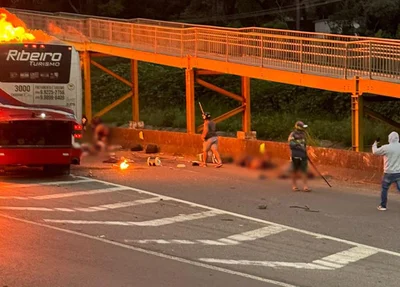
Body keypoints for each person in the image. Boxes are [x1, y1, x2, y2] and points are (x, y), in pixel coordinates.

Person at [372, 132, 400, 211]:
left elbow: (375, 152)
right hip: (398, 172)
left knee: (385, 188)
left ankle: (383, 206)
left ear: (389, 138)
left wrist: (375, 143)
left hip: (388, 172)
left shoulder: (386, 147)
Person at [288, 121, 311, 192]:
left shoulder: (304, 134)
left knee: (304, 170)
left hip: (303, 155)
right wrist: (299, 146)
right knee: (294, 171)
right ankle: (294, 186)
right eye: (302, 127)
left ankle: (305, 186)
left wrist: (307, 152)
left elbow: (305, 145)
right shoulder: (293, 134)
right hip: (295, 155)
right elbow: (291, 144)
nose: (304, 129)